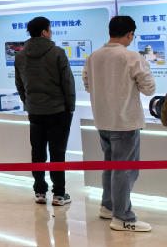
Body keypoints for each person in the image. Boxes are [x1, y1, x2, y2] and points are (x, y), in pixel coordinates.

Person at [83, 15, 155, 232]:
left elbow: (87, 84)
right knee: (125, 171)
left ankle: (108, 206)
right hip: (125, 123)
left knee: (110, 166)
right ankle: (123, 217)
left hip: (102, 120)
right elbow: (149, 89)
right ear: (130, 34)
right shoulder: (132, 57)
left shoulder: (93, 56)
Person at [14, 16, 75, 206]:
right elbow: (68, 83)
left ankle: (40, 192)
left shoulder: (20, 55)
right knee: (58, 153)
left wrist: (28, 103)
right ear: (44, 32)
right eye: (50, 29)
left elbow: (19, 84)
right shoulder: (57, 53)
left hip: (35, 111)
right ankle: (59, 194)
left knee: (37, 152)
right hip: (58, 111)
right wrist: (70, 107)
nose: (51, 32)